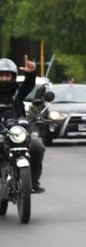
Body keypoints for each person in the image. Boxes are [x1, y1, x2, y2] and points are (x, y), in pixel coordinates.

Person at [0, 56, 45, 193]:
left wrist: (31, 72)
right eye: (1, 76)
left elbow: (28, 85)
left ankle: (33, 182)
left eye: (7, 75)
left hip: (18, 131)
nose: (4, 79)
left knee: (37, 146)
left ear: (13, 77)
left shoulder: (17, 94)